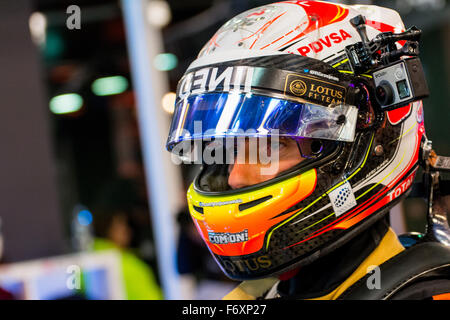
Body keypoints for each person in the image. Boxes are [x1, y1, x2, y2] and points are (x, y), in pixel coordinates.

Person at [166, 1, 450, 299]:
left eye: (272, 145)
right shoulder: (254, 296)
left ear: (363, 142)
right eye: (230, 149)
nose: (235, 176)